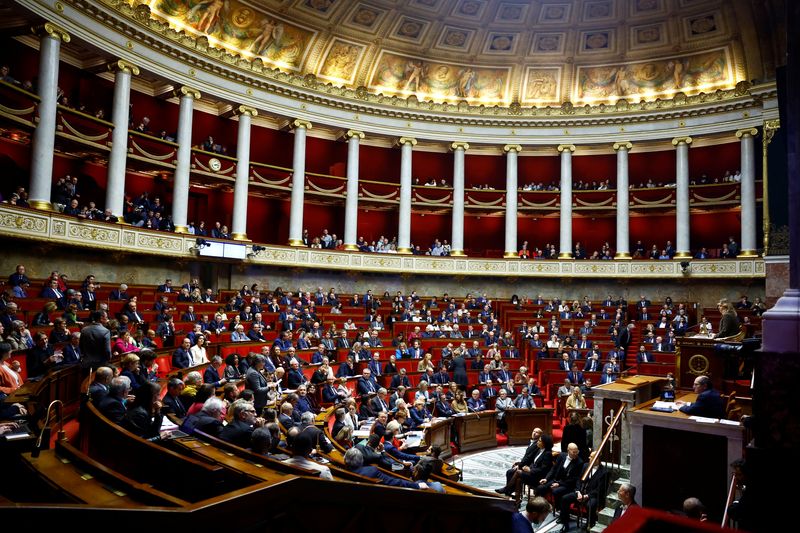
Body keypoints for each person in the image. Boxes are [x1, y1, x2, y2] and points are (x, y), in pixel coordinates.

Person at [559, 451, 607, 529]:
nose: (589, 457)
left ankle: (590, 524)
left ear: (597, 459)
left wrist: (586, 496)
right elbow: (579, 480)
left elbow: (600, 489)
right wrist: (578, 492)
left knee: (590, 505)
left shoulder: (604, 472)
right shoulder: (585, 465)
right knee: (565, 498)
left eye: (591, 456)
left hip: (592, 495)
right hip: (580, 492)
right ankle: (565, 522)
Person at [534, 442, 583, 510]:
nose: (576, 454)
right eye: (573, 452)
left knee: (556, 491)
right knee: (540, 487)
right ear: (568, 450)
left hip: (566, 484)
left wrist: (559, 484)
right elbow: (554, 469)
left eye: (577, 452)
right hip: (555, 479)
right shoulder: (562, 455)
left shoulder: (579, 462)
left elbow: (573, 479)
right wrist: (546, 479)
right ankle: (538, 506)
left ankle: (558, 507)